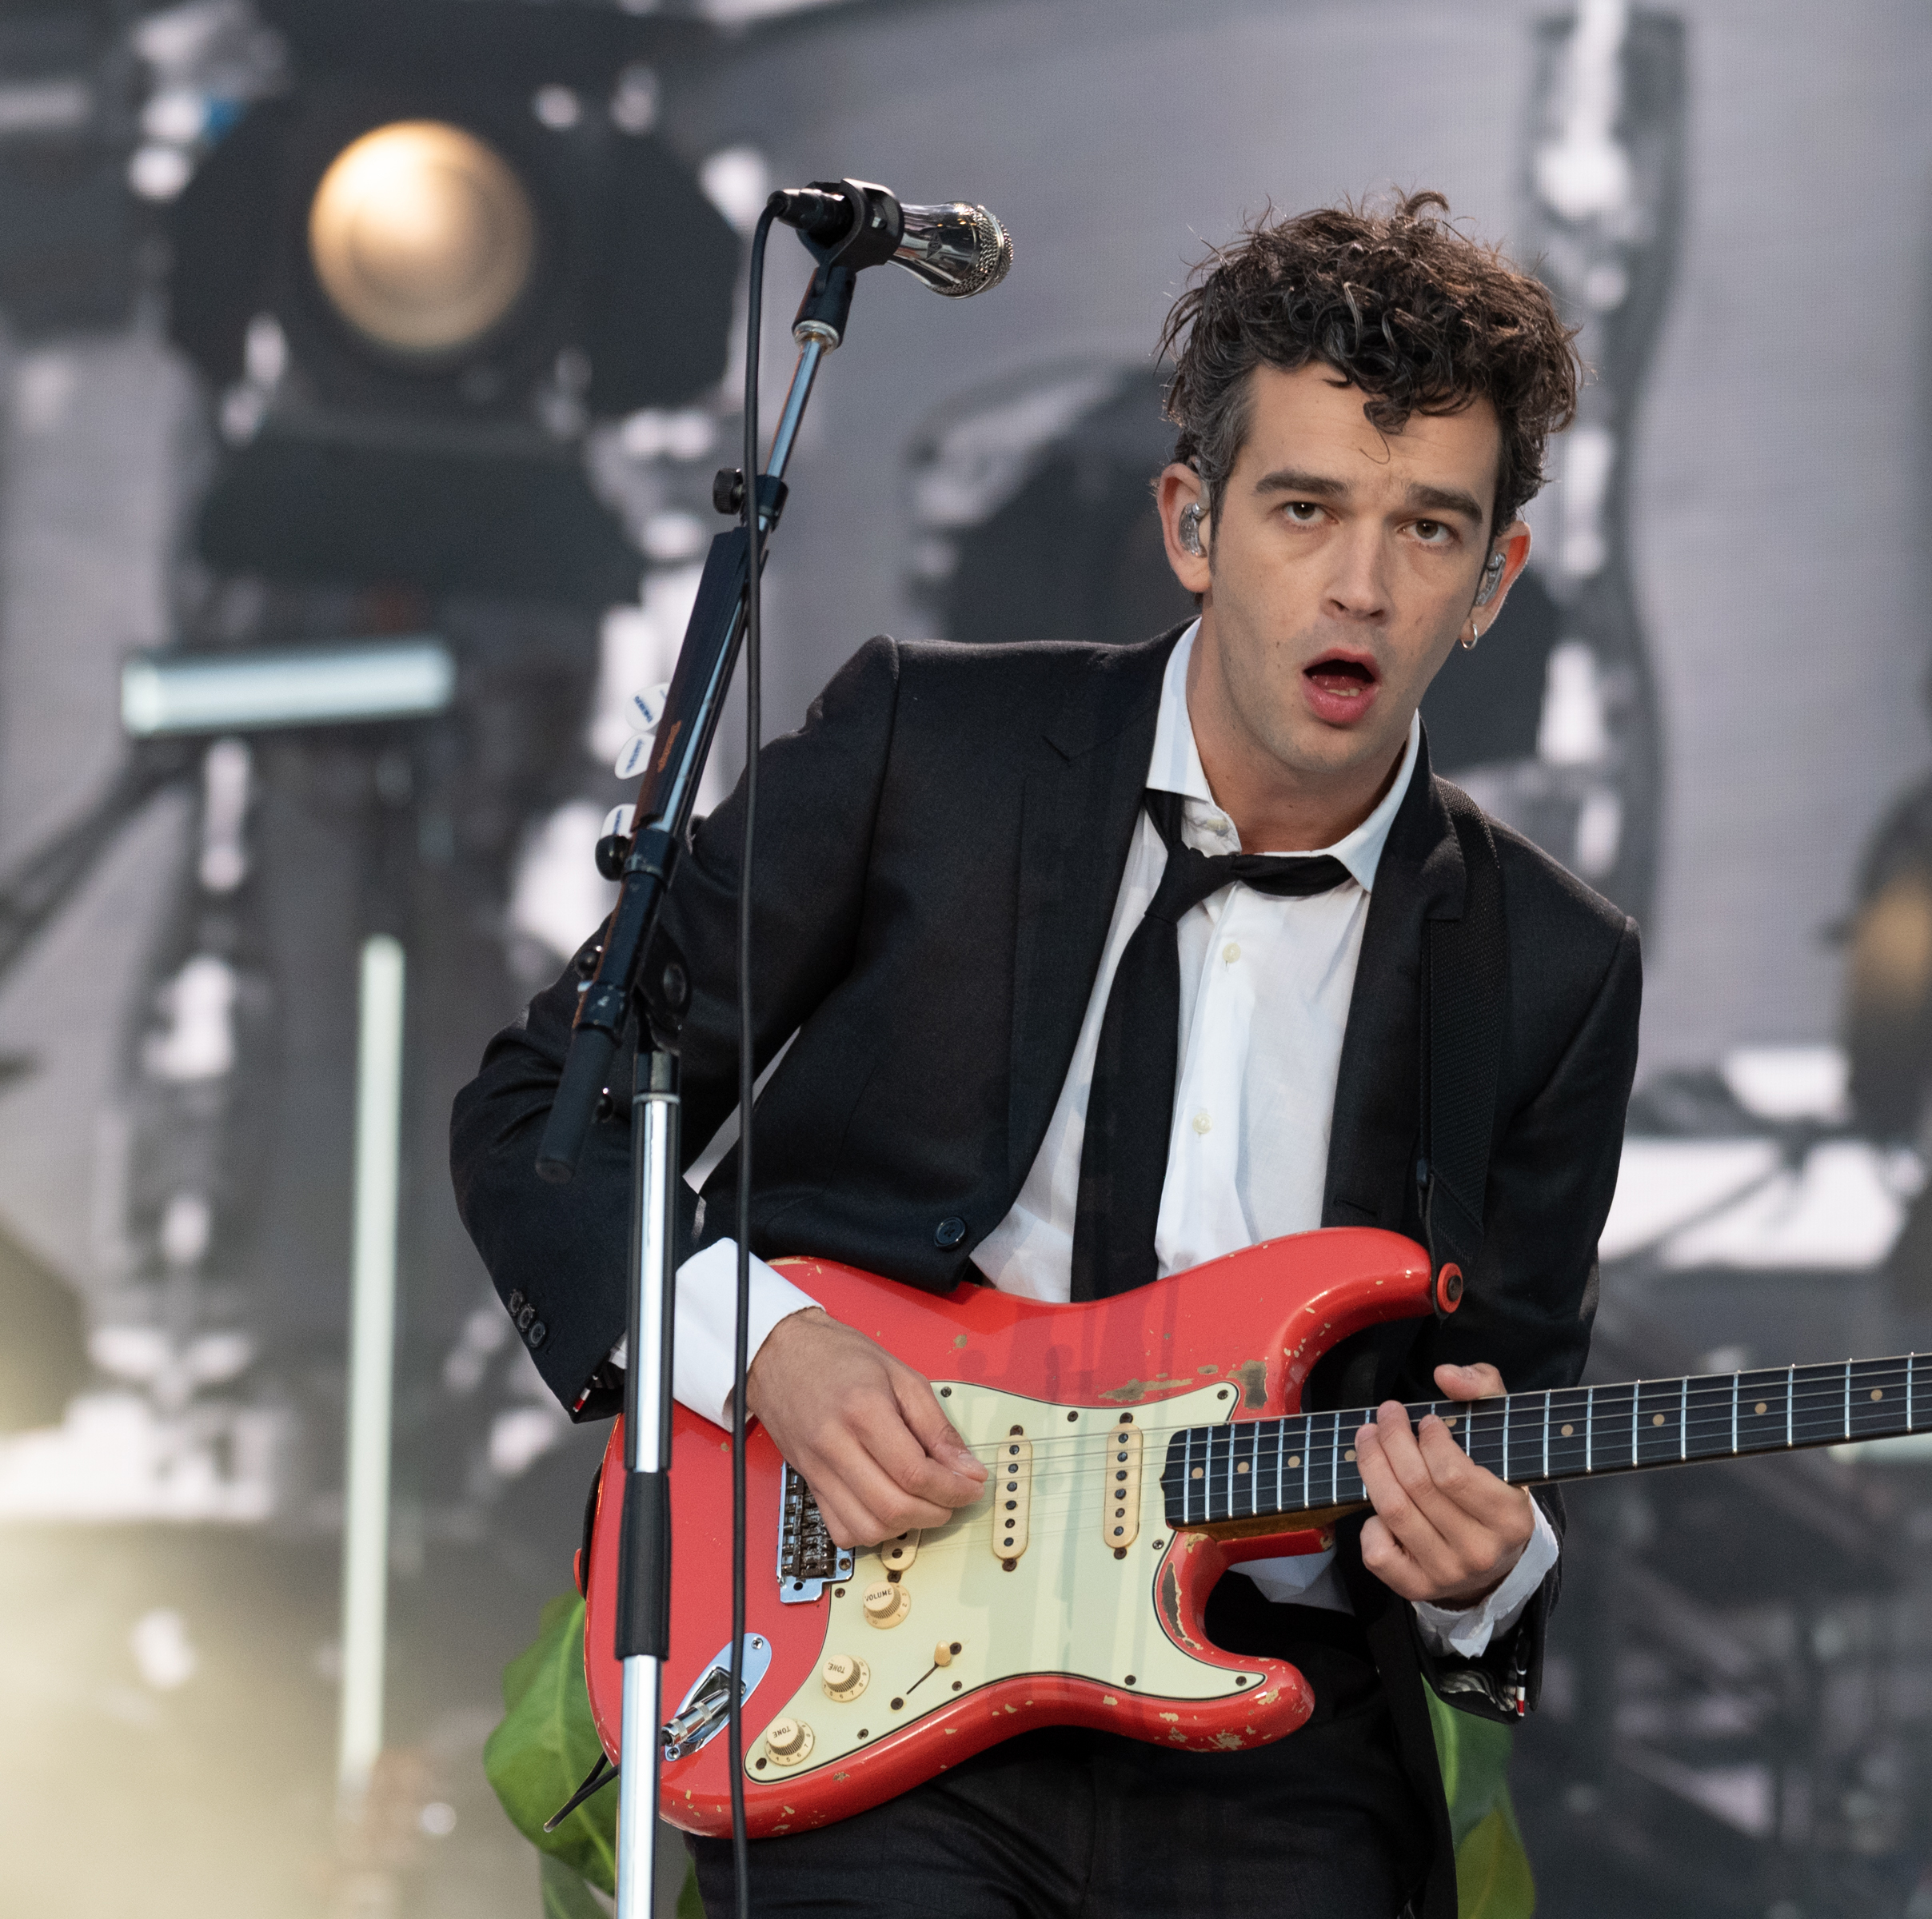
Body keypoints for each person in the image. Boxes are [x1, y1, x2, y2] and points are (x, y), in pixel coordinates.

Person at [450, 191, 1643, 1919]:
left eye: (1431, 531)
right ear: (1191, 521)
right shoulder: (927, 750)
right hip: (860, 1642)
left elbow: (1502, 1409)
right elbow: (542, 1123)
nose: (1362, 587)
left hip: (1275, 1725)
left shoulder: (1552, 965)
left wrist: (1488, 1568)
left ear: (1495, 582)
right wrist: (771, 1349)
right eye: (1304, 508)